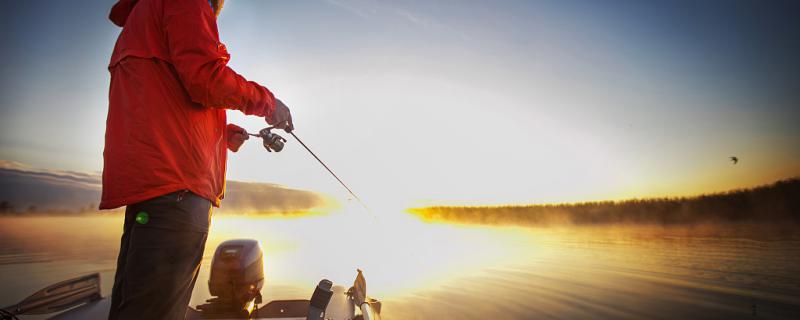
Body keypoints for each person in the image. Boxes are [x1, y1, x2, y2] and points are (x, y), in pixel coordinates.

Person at [101, 0, 293, 319]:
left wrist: (222, 131)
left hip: (152, 190)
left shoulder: (145, 11)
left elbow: (165, 100)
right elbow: (206, 80)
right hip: (177, 192)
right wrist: (268, 103)